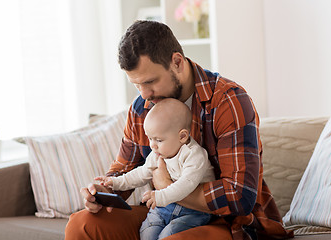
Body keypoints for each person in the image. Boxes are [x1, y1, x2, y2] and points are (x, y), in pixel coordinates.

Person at [65, 20, 293, 240]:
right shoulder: (142, 107)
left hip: (226, 223)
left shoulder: (228, 101)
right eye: (137, 85)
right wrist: (103, 190)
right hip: (163, 211)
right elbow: (125, 168)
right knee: (81, 225)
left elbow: (239, 197)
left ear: (177, 62)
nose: (144, 94)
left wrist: (167, 187)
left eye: (150, 82)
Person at [95, 98, 215, 240]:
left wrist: (160, 196)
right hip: (163, 208)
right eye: (150, 138)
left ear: (182, 136)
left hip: (194, 211)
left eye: (158, 140)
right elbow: (141, 173)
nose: (152, 145)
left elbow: (186, 184)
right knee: (147, 232)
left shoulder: (194, 155)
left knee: (169, 234)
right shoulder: (159, 153)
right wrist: (115, 182)